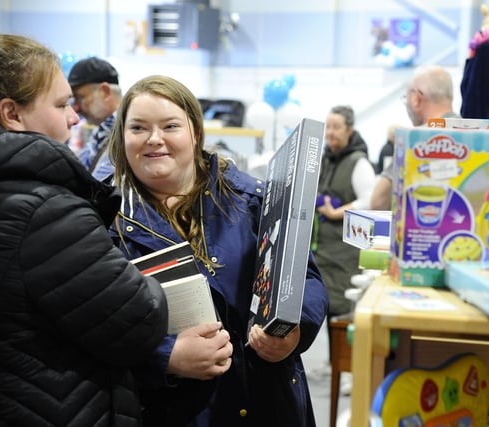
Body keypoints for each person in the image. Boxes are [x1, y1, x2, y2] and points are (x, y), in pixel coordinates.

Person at [106, 74, 328, 426]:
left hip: (266, 401)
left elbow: (305, 278)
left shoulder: (254, 200)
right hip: (172, 410)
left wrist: (294, 331)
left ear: (194, 132)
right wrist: (165, 357)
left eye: (170, 126)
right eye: (138, 128)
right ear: (122, 137)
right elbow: (95, 326)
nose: (154, 139)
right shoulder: (106, 224)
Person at [0, 33, 172, 426]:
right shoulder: (46, 211)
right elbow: (139, 318)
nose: (74, 116)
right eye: (61, 104)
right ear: (11, 113)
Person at [313, 105, 375, 358]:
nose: (330, 133)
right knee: (328, 306)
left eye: (336, 127)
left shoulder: (358, 162)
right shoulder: (326, 158)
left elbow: (371, 199)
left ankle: (348, 368)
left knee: (343, 308)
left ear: (350, 130)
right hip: (323, 249)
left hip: (346, 249)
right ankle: (334, 364)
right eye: (327, 127)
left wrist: (340, 212)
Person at [371, 66, 460, 210]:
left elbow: (378, 202)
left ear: (415, 99)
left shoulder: (414, 141)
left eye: (406, 98)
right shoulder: (479, 134)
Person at [68, 56, 122, 181]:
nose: (76, 108)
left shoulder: (126, 134)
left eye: (80, 97)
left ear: (105, 91)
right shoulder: (105, 132)